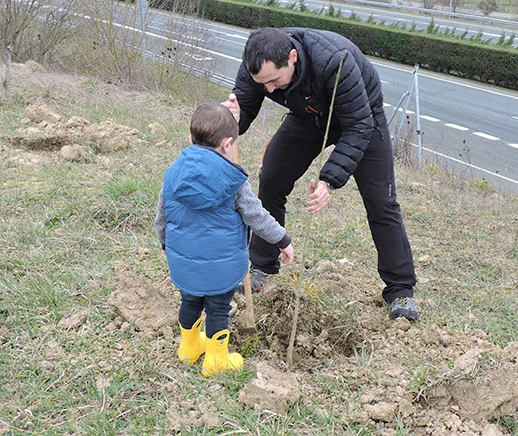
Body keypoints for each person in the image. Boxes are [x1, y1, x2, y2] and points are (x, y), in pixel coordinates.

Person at [223, 27, 419, 321]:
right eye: (263, 84)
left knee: (381, 201)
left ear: (292, 57)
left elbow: (359, 126)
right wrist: (230, 120)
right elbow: (244, 107)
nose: (271, 90)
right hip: (308, 115)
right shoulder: (257, 61)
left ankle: (400, 289)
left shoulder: (335, 61)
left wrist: (328, 180)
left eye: (274, 81)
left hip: (361, 117)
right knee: (272, 179)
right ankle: (263, 265)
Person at [154, 103, 295, 376]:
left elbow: (162, 217)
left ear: (191, 138)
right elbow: (257, 216)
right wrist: (282, 240)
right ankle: (216, 360)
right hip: (223, 268)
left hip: (183, 264)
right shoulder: (234, 181)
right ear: (227, 144)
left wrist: (165, 244)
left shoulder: (173, 174)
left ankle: (188, 348)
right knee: (218, 309)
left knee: (189, 301)